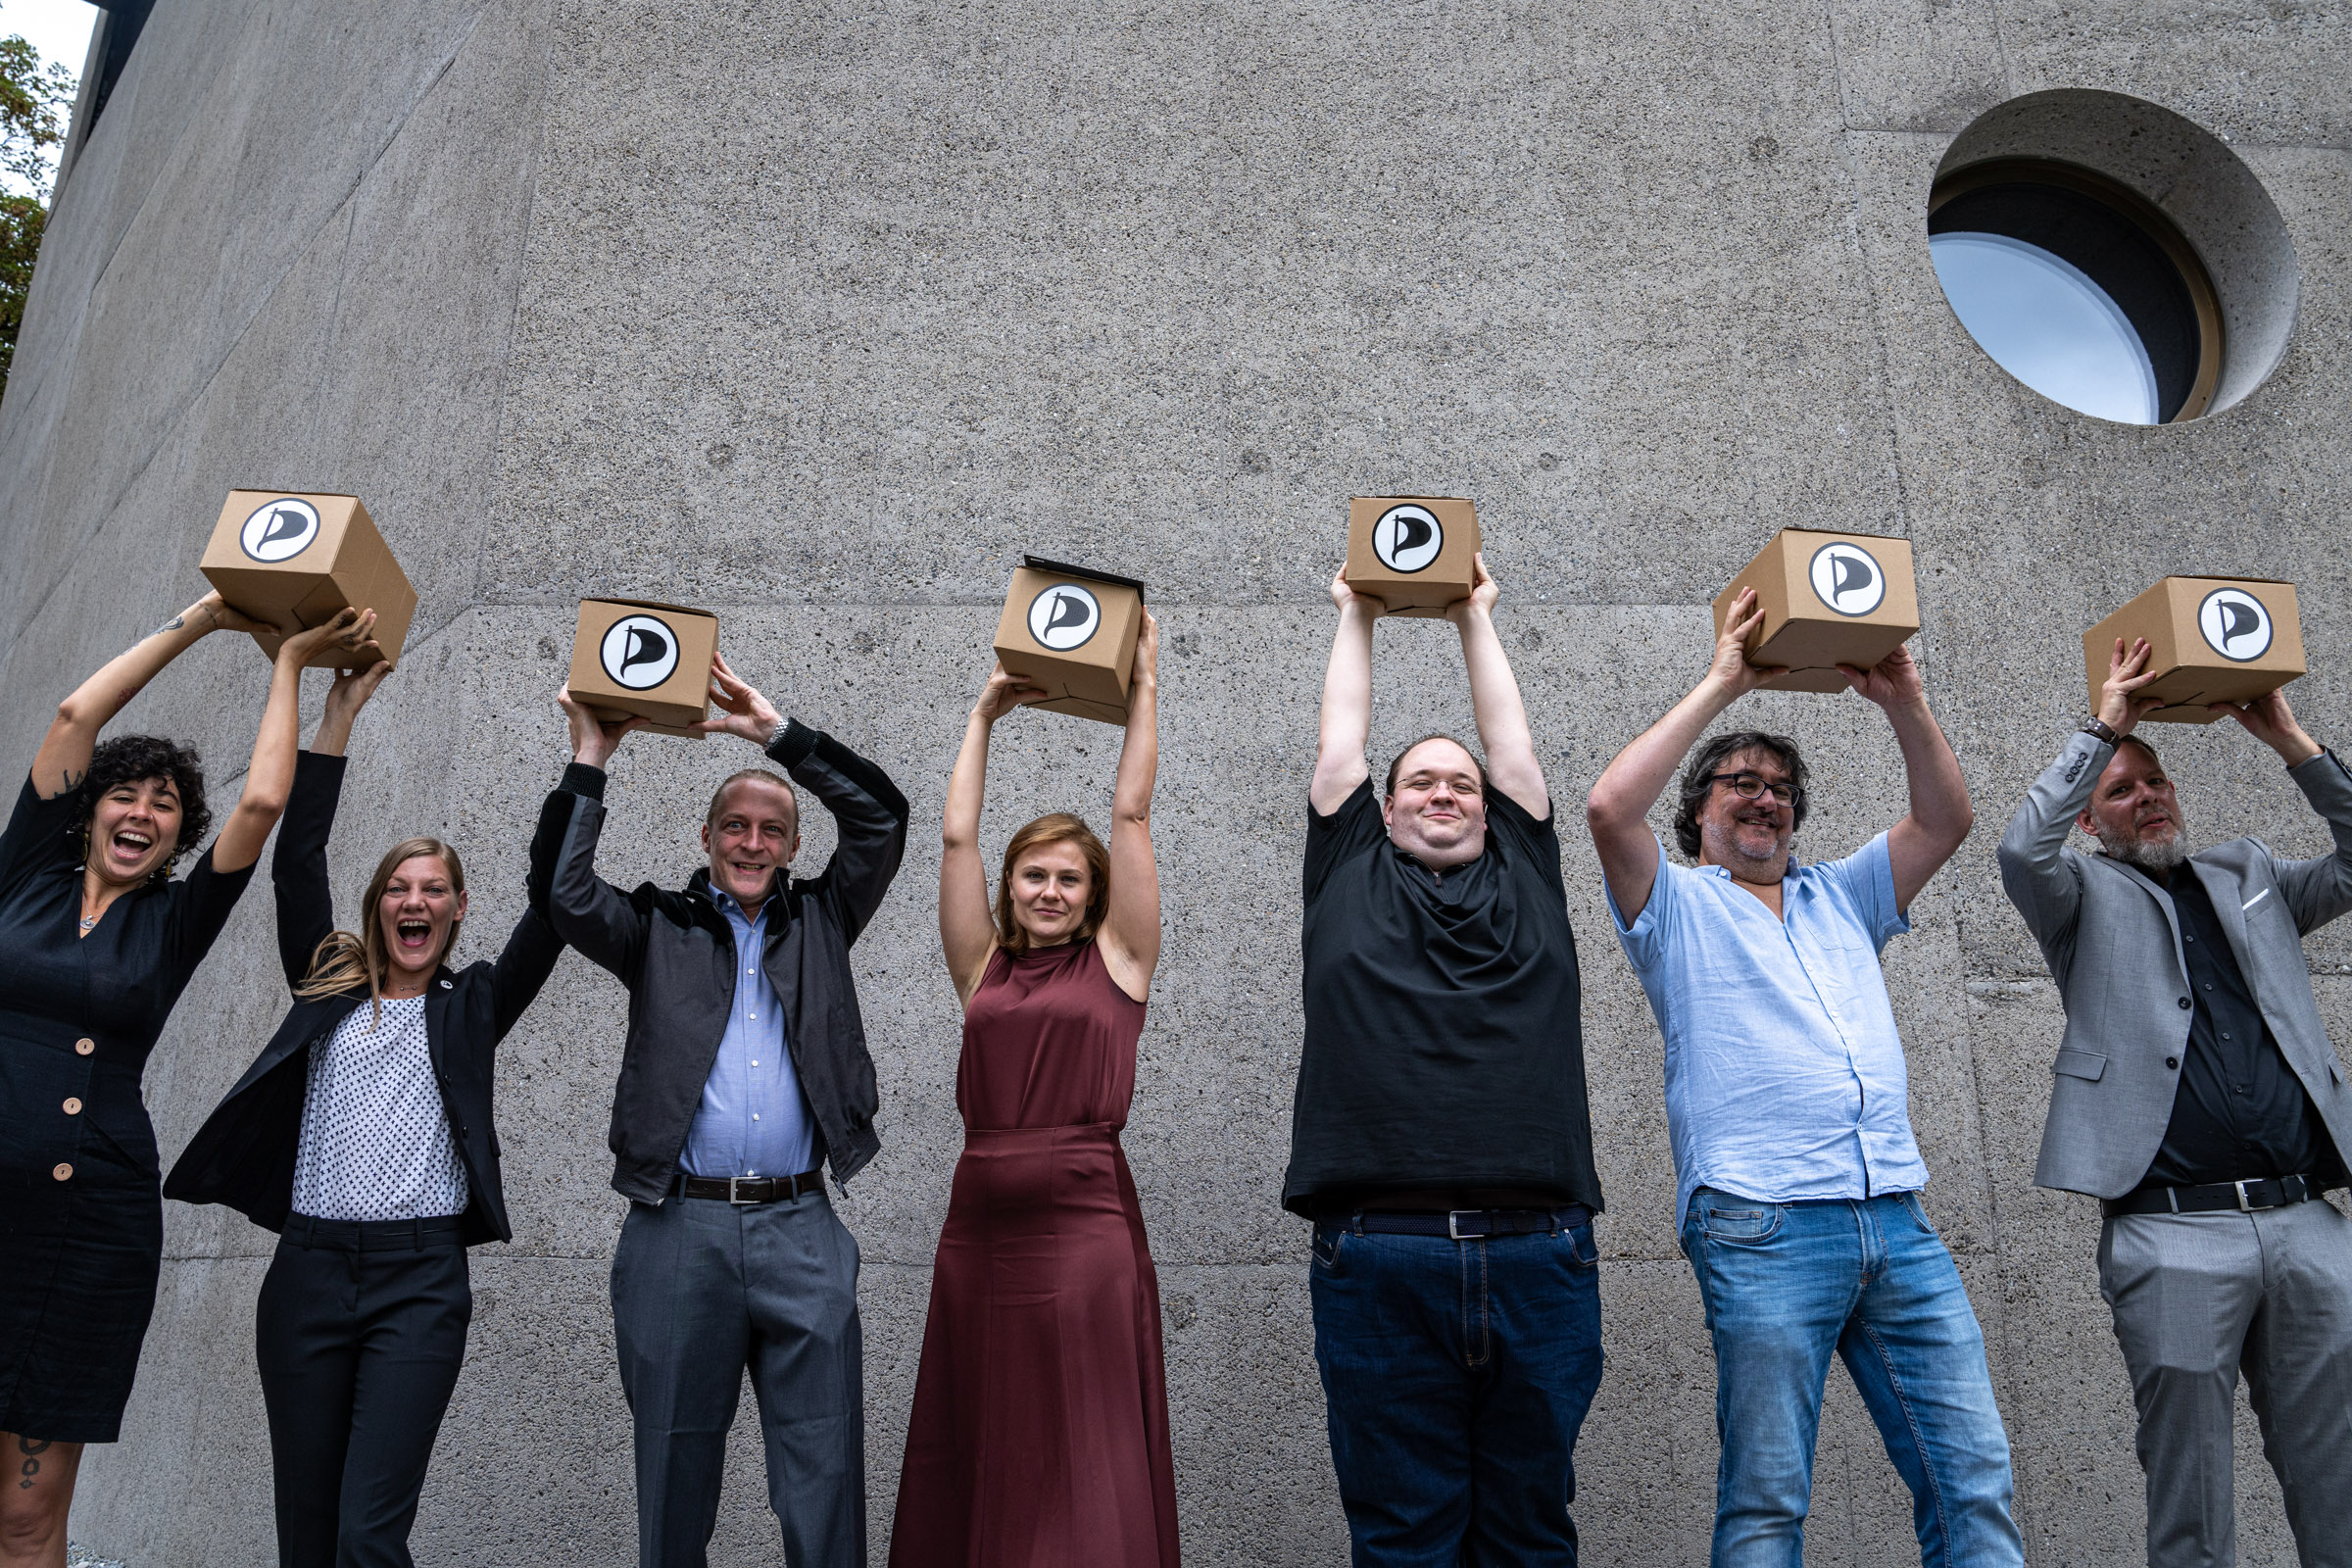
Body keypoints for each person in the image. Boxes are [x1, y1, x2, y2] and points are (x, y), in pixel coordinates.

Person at [1585, 587, 2019, 1568]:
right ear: (1698, 810)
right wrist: (1724, 681)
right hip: (1763, 1219)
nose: (1764, 797)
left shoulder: (1841, 893)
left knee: (1973, 1478)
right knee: (1769, 1498)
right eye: (1739, 781)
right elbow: (1609, 806)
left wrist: (1904, 700)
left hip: (1895, 1216)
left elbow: (1946, 818)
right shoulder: (1674, 904)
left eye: (1781, 787)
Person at [165, 651, 567, 1568]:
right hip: (307, 1273)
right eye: (398, 887)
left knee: (368, 1536)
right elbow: (295, 860)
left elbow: (552, 907)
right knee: (308, 1535)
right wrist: (337, 716)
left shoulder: (473, 1007)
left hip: (419, 1283)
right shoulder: (327, 985)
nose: (413, 901)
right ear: (377, 904)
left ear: (458, 910)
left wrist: (586, 759)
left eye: (433, 889)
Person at [0, 592, 376, 1568]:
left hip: (86, 1228)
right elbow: (77, 715)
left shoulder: (174, 922)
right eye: (126, 794)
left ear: (177, 834)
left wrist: (287, 667)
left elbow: (261, 804)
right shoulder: (24, 875)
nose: (143, 812)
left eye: (165, 804)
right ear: (89, 811)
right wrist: (208, 617)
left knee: (26, 1518)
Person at [536, 653, 909, 1568]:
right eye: (734, 826)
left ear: (793, 846)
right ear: (706, 836)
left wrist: (778, 735)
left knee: (825, 1477)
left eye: (771, 830)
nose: (751, 843)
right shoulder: (655, 927)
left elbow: (883, 817)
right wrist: (592, 756)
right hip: (676, 1231)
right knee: (672, 1476)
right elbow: (562, 893)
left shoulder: (824, 918)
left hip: (802, 1226)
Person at [1996, 638, 2352, 1567]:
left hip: (2308, 1223)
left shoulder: (2251, 875)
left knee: (2342, 1476)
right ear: (2089, 818)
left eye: (2156, 781)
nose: (2148, 797)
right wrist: (2106, 726)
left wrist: (2291, 742)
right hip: (2171, 1230)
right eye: (2121, 790)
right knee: (2190, 1492)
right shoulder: (2076, 895)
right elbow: (2020, 847)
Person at [1290, 556, 1604, 1566]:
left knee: (1529, 1536)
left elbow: (1512, 751)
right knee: (1402, 1541)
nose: (1443, 791)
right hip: (1379, 1255)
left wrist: (1477, 615)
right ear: (1383, 812)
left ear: (1490, 809)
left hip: (1538, 1256)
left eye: (1460, 783)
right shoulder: (1348, 867)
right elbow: (1341, 744)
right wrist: (1356, 612)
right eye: (1420, 780)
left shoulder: (1529, 870)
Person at [890, 616, 1176, 1565]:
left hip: (1085, 1218)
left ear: (1094, 894)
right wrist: (983, 717)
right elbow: (954, 838)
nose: (1050, 891)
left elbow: (1130, 816)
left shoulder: (1121, 960)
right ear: (1010, 885)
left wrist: (1143, 687)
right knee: (983, 1433)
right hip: (979, 1226)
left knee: (1086, 1438)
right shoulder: (982, 969)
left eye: (1068, 880)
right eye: (1033, 875)